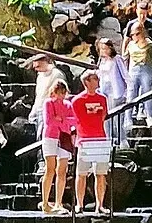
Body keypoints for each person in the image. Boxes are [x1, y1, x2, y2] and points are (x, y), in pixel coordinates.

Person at [71, 69, 112, 215]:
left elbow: (102, 116)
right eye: (95, 78)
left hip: (100, 138)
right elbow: (77, 120)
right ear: (87, 82)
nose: (98, 80)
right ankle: (79, 204)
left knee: (100, 174)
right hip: (84, 140)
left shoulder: (102, 99)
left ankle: (100, 205)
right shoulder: (77, 101)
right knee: (81, 173)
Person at [40, 77, 76, 214]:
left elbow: (73, 120)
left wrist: (62, 120)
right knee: (50, 169)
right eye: (58, 92)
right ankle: (45, 203)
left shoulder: (68, 105)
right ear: (53, 92)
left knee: (62, 170)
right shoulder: (48, 103)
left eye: (63, 92)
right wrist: (63, 122)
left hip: (64, 138)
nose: (60, 95)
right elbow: (49, 121)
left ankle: (58, 202)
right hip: (50, 137)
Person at [124, 20, 152, 127]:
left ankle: (149, 116)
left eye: (137, 34)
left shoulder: (150, 45)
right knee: (131, 94)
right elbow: (125, 57)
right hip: (133, 71)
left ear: (142, 32)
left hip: (146, 69)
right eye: (133, 35)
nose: (135, 37)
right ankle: (128, 118)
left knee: (147, 94)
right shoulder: (131, 45)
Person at [95, 36, 129, 146]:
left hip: (116, 91)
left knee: (117, 117)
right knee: (105, 117)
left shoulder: (117, 59)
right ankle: (107, 140)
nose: (103, 51)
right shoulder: (101, 61)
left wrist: (128, 91)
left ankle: (122, 140)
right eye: (101, 49)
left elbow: (125, 75)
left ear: (110, 49)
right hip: (104, 91)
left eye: (105, 48)